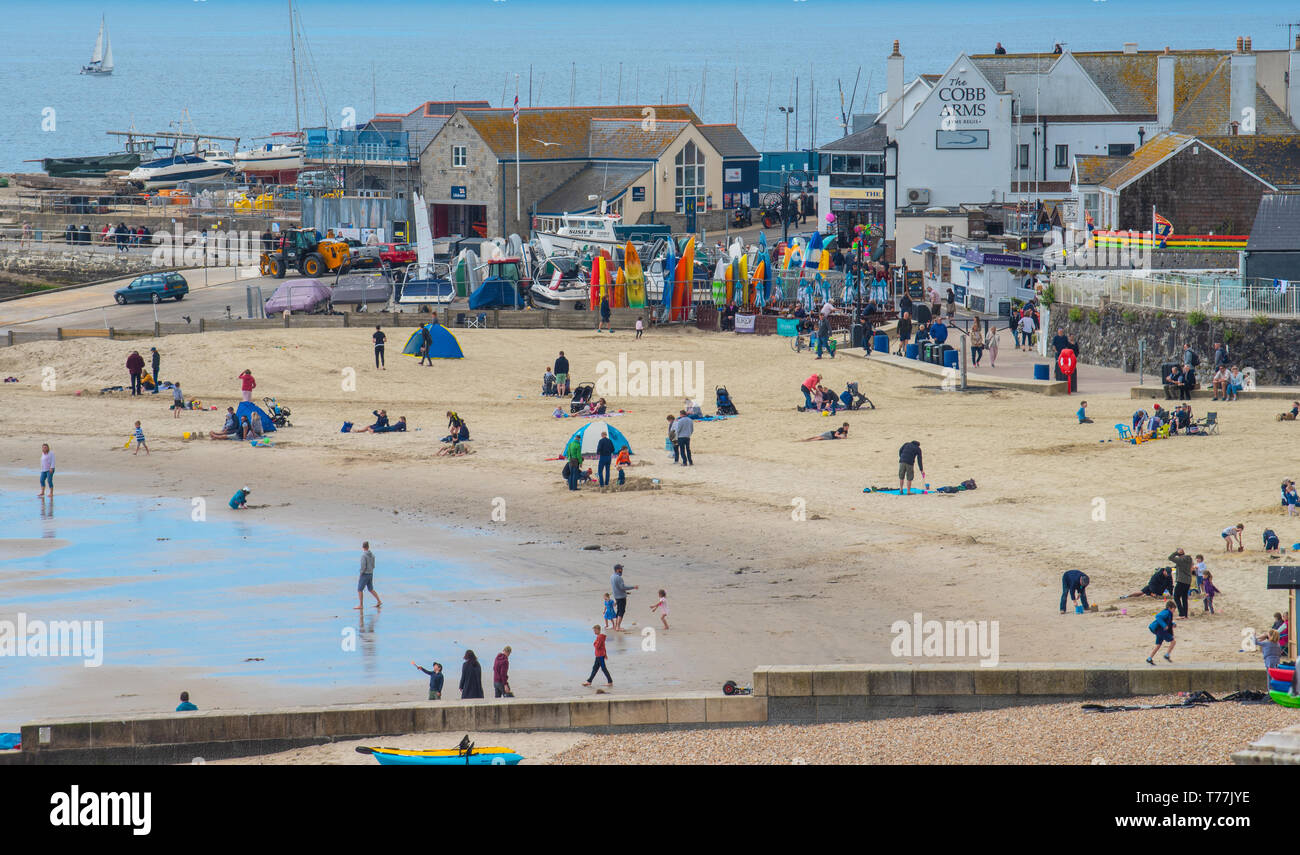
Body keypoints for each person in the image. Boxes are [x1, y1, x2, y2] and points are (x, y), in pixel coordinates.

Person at [1146, 600, 1177, 664]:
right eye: (1174, 609)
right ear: (1169, 608)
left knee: (1158, 645)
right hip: (1160, 630)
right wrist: (1164, 625)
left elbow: (1167, 621)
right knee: (1173, 641)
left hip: (1158, 630)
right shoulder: (1167, 612)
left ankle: (1149, 658)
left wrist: (1172, 624)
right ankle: (1167, 655)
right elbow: (1158, 616)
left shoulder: (1168, 613)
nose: (1174, 610)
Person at [610, 563, 637, 632]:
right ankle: (618, 627)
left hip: (616, 596)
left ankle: (616, 626)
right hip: (621, 597)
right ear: (618, 570)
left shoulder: (612, 576)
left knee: (619, 611)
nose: (622, 570)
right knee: (621, 611)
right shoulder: (619, 577)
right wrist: (633, 587)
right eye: (621, 569)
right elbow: (623, 587)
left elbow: (615, 587)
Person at [355, 540, 382, 610]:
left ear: (363, 547)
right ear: (368, 546)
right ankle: (379, 601)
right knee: (370, 589)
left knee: (359, 589)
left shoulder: (364, 556)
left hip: (365, 574)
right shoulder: (372, 555)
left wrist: (361, 574)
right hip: (371, 573)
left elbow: (363, 566)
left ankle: (361, 605)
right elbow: (373, 565)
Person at [1168, 548, 1192, 618]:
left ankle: (1181, 614)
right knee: (1184, 598)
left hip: (1181, 580)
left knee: (1176, 597)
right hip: (1188, 581)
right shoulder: (1189, 559)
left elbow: (1170, 557)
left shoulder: (1180, 560)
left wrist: (1176, 552)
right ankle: (1185, 614)